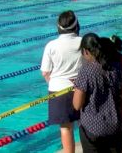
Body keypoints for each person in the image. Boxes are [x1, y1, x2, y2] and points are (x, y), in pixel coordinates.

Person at [73, 33, 122, 152]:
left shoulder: (86, 71)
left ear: (86, 51)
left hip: (92, 129)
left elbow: (77, 104)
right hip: (115, 125)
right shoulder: (116, 66)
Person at [40, 10, 82, 153]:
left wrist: (53, 84)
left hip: (58, 91)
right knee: (86, 124)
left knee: (65, 128)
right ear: (76, 25)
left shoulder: (51, 45)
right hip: (82, 89)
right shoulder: (83, 42)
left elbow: (45, 72)